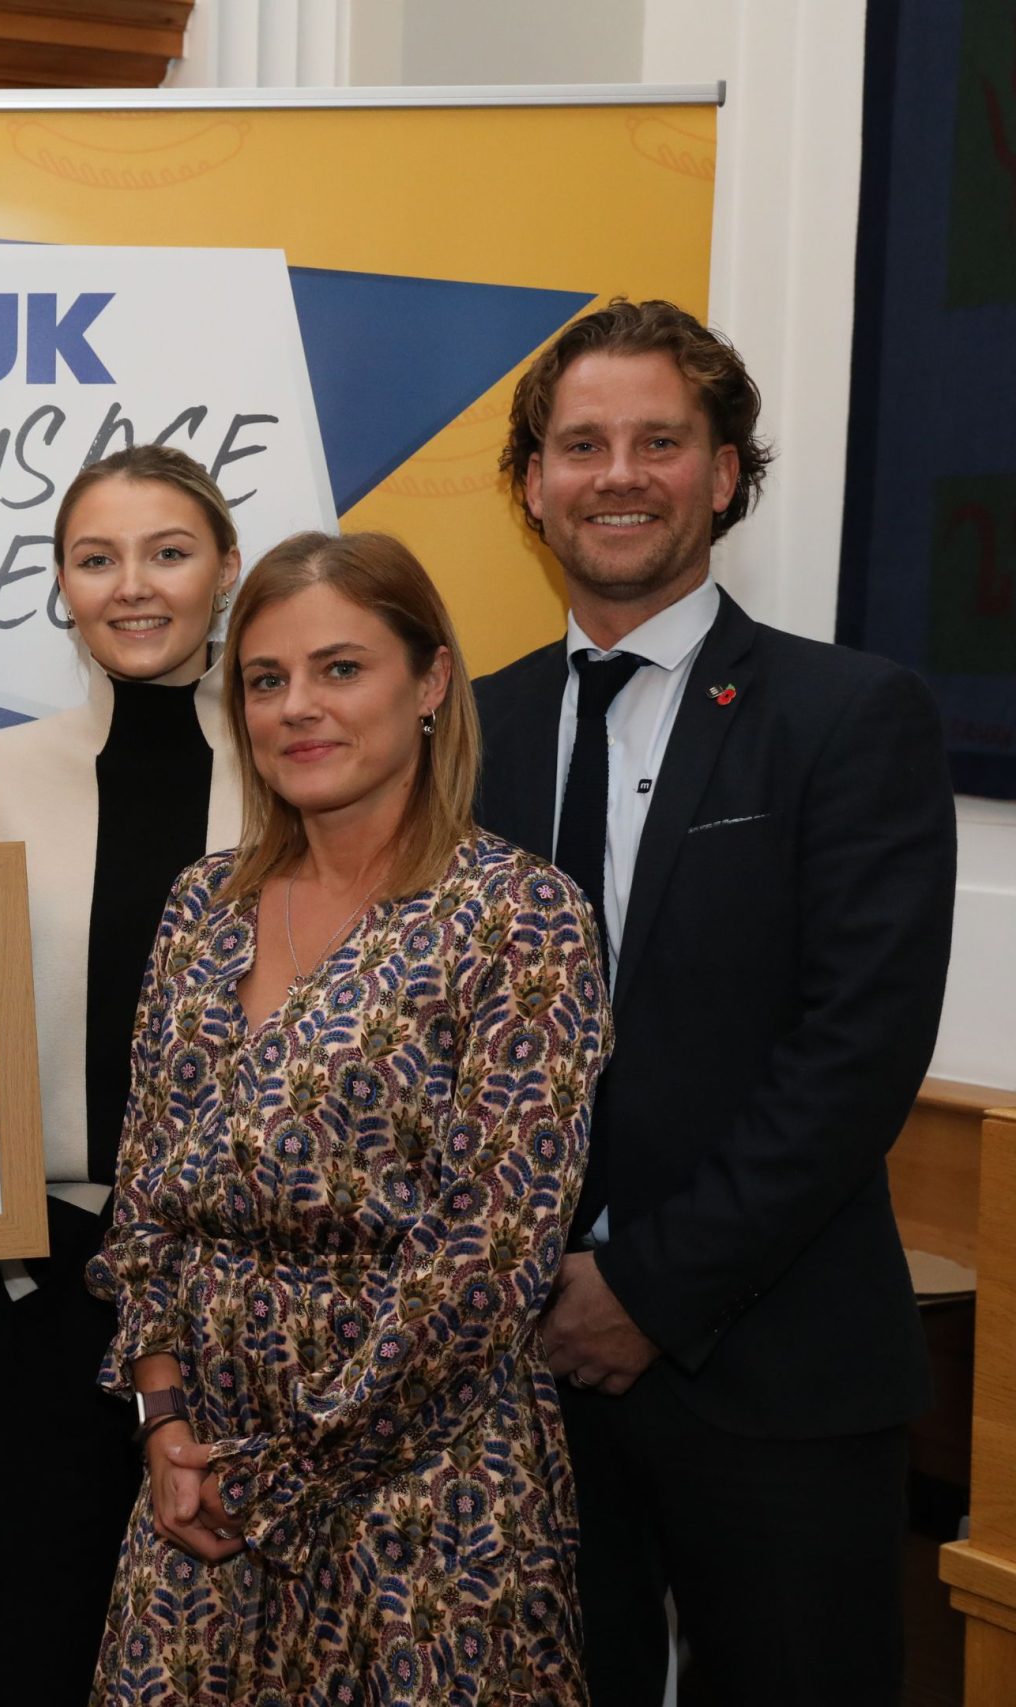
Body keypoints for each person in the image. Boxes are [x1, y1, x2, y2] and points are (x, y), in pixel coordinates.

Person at [475, 299, 957, 1706]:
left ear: (726, 473)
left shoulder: (849, 715)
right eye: (582, 443)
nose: (618, 472)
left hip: (776, 1371)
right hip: (521, 1378)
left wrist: (645, 1286)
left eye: (660, 440)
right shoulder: (472, 731)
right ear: (530, 485)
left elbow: (855, 1054)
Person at [89, 530, 611, 1705]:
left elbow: (490, 1254)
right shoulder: (200, 908)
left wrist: (283, 1467)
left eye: (339, 670)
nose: (296, 710)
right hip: (195, 1499)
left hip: (422, 1498)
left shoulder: (520, 917)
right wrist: (163, 1423)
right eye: (265, 681)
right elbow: (145, 1206)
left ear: (428, 685)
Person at [0, 445, 249, 1705]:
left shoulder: (294, 766)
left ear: (223, 571)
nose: (133, 586)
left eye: (168, 552)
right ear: (59, 584)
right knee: (23, 1653)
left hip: (236, 1295)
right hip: (29, 1289)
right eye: (96, 558)